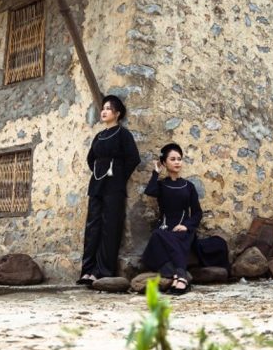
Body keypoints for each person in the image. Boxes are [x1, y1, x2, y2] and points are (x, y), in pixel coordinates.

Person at [77, 94, 141, 285]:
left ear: (117, 113)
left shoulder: (123, 134)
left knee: (110, 227)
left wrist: (119, 177)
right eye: (103, 108)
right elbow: (91, 159)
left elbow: (133, 158)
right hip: (96, 185)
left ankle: (103, 271)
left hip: (114, 186)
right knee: (92, 227)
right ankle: (87, 271)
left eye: (108, 108)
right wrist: (100, 172)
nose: (104, 111)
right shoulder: (99, 136)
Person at [142, 142, 202, 295]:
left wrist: (187, 226)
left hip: (182, 230)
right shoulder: (161, 185)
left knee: (175, 238)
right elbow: (150, 191)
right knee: (157, 236)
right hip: (165, 229)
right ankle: (180, 275)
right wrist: (156, 172)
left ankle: (178, 277)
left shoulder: (188, 186)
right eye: (173, 159)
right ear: (165, 162)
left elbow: (197, 213)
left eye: (179, 159)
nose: (177, 162)